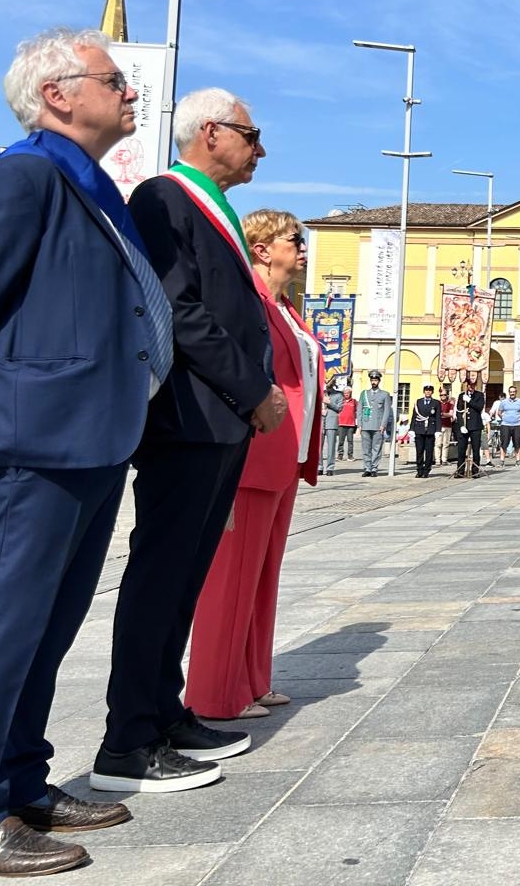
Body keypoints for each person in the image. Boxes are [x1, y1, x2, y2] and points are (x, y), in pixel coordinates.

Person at [0, 28, 172, 874]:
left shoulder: (92, 185)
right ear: (56, 94)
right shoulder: (23, 176)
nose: (131, 93)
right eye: (114, 81)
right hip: (33, 436)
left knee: (46, 625)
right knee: (2, 626)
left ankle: (16, 780)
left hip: (91, 436)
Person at [95, 87, 286, 794]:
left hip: (218, 420)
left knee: (185, 578)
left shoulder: (214, 207)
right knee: (160, 573)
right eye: (251, 132)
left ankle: (164, 712)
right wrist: (254, 389)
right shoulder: (165, 198)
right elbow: (177, 308)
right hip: (189, 418)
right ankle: (127, 741)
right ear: (211, 132)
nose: (259, 148)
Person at [185, 209, 322, 723]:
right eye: (295, 239)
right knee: (232, 576)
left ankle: (252, 679)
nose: (303, 247)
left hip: (285, 457)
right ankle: (216, 693)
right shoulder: (250, 302)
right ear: (262, 249)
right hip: (252, 454)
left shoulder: (287, 308)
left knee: (263, 574)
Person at [358, 371, 394, 476]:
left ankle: (374, 468)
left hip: (378, 425)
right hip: (365, 424)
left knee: (376, 448)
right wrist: (359, 424)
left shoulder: (384, 394)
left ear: (379, 381)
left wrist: (383, 424)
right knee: (366, 448)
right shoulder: (364, 393)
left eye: (375, 380)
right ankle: (367, 468)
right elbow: (359, 409)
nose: (374, 382)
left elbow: (387, 411)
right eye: (372, 380)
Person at [453, 376, 486, 476]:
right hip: (464, 427)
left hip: (475, 426)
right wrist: (461, 425)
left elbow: (479, 407)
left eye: (472, 385)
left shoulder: (479, 395)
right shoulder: (461, 395)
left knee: (476, 450)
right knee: (461, 450)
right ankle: (460, 471)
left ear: (475, 385)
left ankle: (475, 471)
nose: (470, 387)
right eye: (468, 385)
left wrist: (469, 401)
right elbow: (459, 411)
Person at [411, 384, 440, 477]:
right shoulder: (418, 402)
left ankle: (426, 470)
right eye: (426, 390)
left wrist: (438, 430)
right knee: (419, 451)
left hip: (430, 429)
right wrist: (411, 429)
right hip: (419, 428)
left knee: (429, 451)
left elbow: (438, 417)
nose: (428, 392)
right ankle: (419, 470)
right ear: (424, 391)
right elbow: (414, 416)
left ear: (432, 392)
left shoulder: (436, 403)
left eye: (430, 390)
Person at [321, 375, 345, 475]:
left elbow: (339, 408)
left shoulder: (338, 395)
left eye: (330, 380)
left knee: (331, 446)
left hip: (331, 422)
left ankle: (330, 467)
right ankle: (319, 466)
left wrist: (329, 402)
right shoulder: (319, 393)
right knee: (318, 446)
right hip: (320, 421)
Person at [496, 385, 520, 465]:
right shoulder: (504, 402)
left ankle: (518, 461)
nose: (512, 393)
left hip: (517, 425)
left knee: (517, 443)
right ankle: (502, 461)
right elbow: (499, 412)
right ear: (509, 393)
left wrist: (518, 418)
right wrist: (505, 418)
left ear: (516, 392)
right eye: (511, 392)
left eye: (514, 392)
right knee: (504, 443)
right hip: (505, 425)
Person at [337, 389, 358, 460]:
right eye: (345, 393)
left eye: (347, 393)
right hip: (341, 424)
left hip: (351, 424)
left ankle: (350, 455)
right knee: (341, 441)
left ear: (350, 393)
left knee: (350, 441)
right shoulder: (341, 401)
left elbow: (358, 410)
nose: (346, 394)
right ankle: (340, 455)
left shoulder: (354, 401)